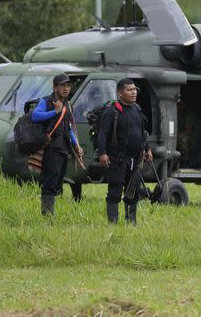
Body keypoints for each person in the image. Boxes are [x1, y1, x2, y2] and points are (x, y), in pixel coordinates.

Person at [96, 78, 153, 225]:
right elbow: (102, 134)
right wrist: (102, 153)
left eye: (134, 89)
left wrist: (147, 149)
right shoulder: (112, 111)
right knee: (114, 191)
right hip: (116, 159)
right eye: (130, 90)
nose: (134, 92)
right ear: (120, 93)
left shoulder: (137, 110)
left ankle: (131, 222)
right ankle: (113, 223)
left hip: (135, 159)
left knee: (133, 192)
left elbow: (142, 132)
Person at [31, 73, 84, 217]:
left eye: (68, 85)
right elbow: (35, 116)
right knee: (49, 182)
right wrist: (54, 112)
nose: (66, 88)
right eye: (62, 85)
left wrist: (76, 144)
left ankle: (49, 214)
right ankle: (47, 216)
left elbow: (68, 128)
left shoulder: (67, 104)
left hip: (63, 149)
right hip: (50, 149)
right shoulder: (47, 101)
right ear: (55, 87)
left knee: (57, 182)